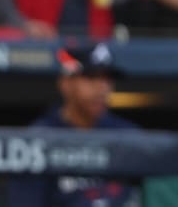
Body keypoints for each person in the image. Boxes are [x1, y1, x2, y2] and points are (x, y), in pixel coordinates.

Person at [7, 42, 140, 207]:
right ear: (66, 83)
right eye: (91, 77)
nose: (102, 88)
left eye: (107, 79)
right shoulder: (38, 140)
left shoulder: (128, 135)